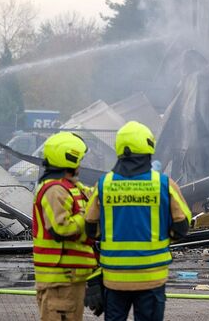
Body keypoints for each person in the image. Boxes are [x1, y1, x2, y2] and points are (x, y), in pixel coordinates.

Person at [85, 121, 191, 321]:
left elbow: (90, 227)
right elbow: (182, 225)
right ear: (149, 146)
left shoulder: (104, 184)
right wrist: (163, 237)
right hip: (151, 278)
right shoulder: (164, 184)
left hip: (114, 279)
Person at [32, 132, 97, 321]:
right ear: (70, 157)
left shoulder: (71, 187)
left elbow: (94, 195)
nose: (81, 164)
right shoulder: (54, 190)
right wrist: (88, 215)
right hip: (58, 280)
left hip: (70, 278)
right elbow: (60, 228)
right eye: (80, 159)